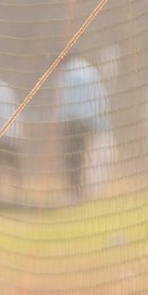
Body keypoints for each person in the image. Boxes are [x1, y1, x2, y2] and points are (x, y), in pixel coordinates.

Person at [51, 57, 107, 201]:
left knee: (73, 159)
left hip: (74, 122)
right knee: (87, 156)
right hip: (90, 121)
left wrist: (60, 120)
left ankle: (75, 192)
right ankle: (89, 190)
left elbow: (65, 100)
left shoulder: (67, 74)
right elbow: (100, 96)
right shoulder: (89, 69)